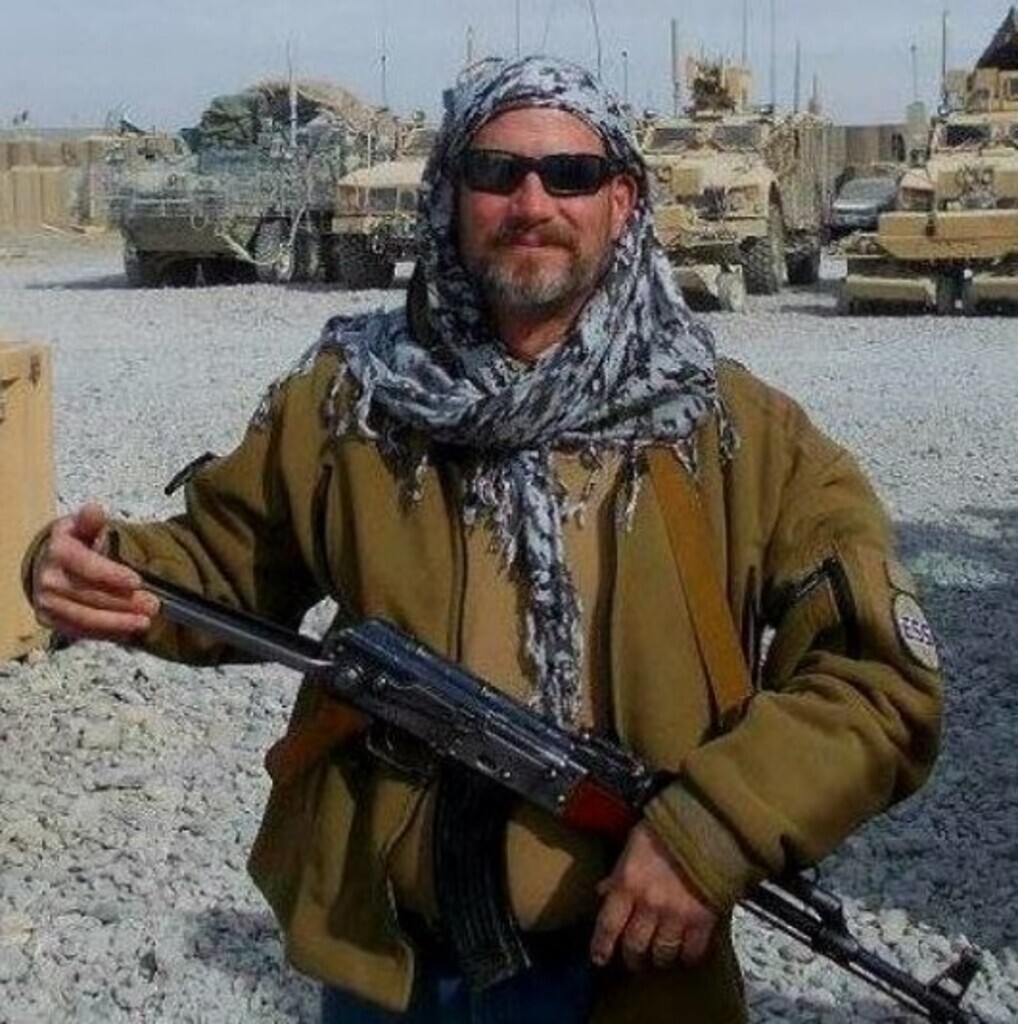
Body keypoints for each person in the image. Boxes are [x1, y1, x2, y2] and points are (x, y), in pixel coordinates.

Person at [25, 56, 943, 1023]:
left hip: (627, 978)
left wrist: (714, 830)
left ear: (623, 201)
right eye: (496, 172)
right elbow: (226, 565)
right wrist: (95, 568)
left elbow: (877, 680)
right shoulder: (352, 402)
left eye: (571, 174)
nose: (531, 203)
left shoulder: (736, 434)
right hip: (388, 970)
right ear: (449, 196)